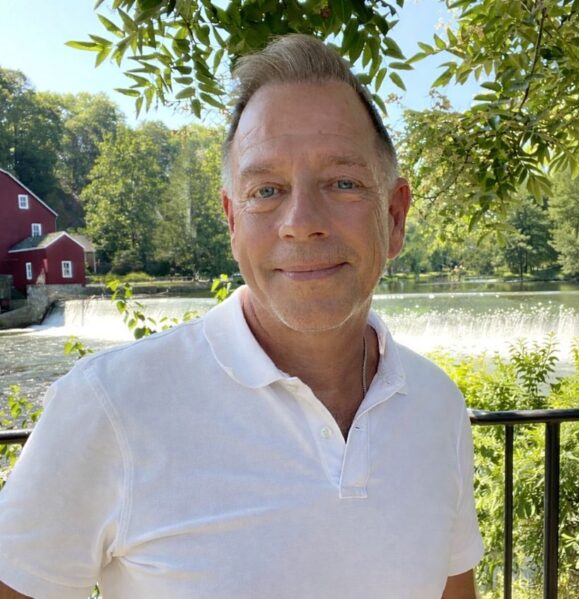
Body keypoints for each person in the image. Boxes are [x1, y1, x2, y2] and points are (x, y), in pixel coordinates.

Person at [0, 35, 483, 598]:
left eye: (343, 183)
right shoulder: (108, 406)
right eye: (267, 190)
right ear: (232, 221)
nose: (301, 222)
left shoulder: (436, 404)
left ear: (395, 217)